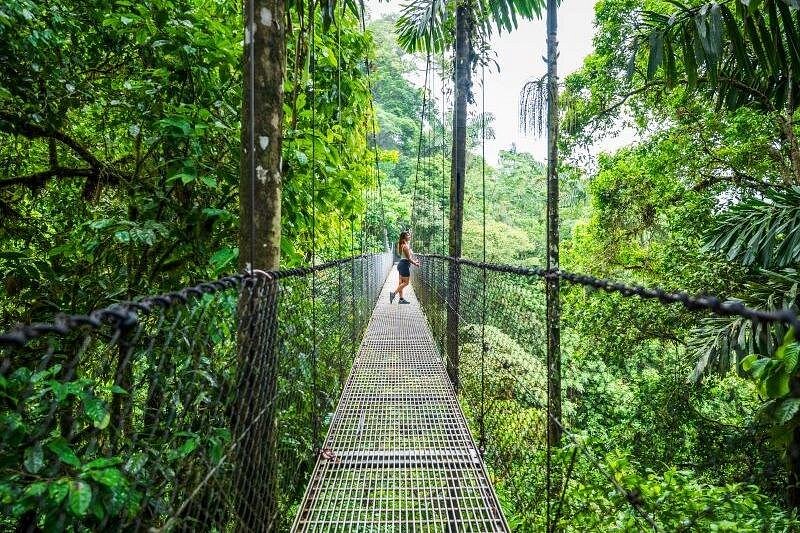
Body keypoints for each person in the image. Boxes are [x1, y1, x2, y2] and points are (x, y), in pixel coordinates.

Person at [390, 231, 419, 304]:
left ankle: (401, 299)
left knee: (401, 283)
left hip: (401, 264)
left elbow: (407, 256)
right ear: (404, 237)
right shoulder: (405, 246)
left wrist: (415, 261)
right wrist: (415, 263)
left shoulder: (403, 245)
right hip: (404, 265)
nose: (410, 236)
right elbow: (408, 258)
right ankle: (393, 294)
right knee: (406, 283)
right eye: (408, 235)